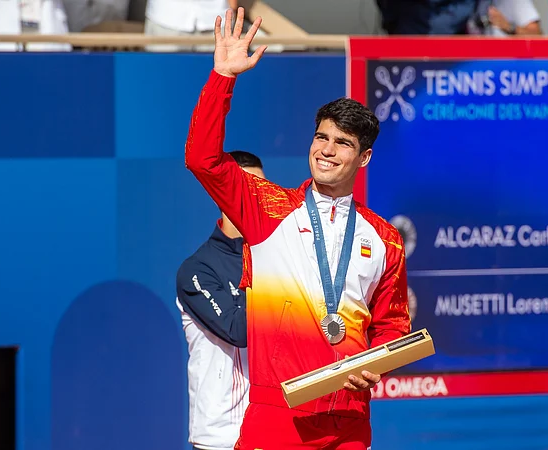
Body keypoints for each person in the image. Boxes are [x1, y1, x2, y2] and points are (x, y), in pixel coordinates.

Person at [184, 8, 411, 449]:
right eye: (321, 138)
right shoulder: (266, 206)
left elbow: (393, 325)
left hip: (348, 417)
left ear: (363, 158)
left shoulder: (383, 238)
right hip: (279, 414)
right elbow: (202, 160)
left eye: (342, 143)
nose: (326, 151)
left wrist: (377, 364)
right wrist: (222, 78)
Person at [175, 150, 265, 450]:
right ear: (223, 193)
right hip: (221, 438)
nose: (259, 197)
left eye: (263, 189)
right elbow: (237, 330)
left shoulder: (278, 254)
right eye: (249, 188)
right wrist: (269, 264)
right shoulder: (196, 269)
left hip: (273, 430)